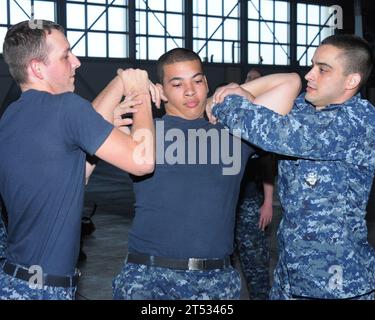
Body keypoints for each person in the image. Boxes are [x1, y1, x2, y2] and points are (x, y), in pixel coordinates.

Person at [111, 48, 299, 300]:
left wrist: (240, 90)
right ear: (161, 90)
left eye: (197, 81)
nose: (190, 91)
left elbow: (291, 82)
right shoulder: (144, 134)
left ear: (206, 84)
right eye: (177, 84)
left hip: (214, 282)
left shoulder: (233, 133)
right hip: (147, 280)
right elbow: (87, 128)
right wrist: (124, 82)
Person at [210, 34, 375, 299]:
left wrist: (224, 101)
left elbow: (269, 129)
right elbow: (286, 85)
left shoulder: (357, 123)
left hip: (338, 283)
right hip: (291, 277)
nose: (310, 75)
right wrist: (243, 90)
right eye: (312, 66)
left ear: (352, 80)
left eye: (323, 69)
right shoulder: (307, 109)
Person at [0, 20, 155, 300]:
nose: (77, 61)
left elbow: (73, 175)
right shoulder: (67, 108)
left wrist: (117, 85)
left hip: (14, 280)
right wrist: (138, 90)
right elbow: (142, 161)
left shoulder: (11, 117)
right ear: (37, 68)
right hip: (45, 289)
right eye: (65, 55)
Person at [234, 68, 277, 299]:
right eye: (249, 78)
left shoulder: (261, 120)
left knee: (256, 262)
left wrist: (268, 203)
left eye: (256, 79)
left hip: (250, 200)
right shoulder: (232, 114)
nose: (251, 81)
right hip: (225, 203)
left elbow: (268, 165)